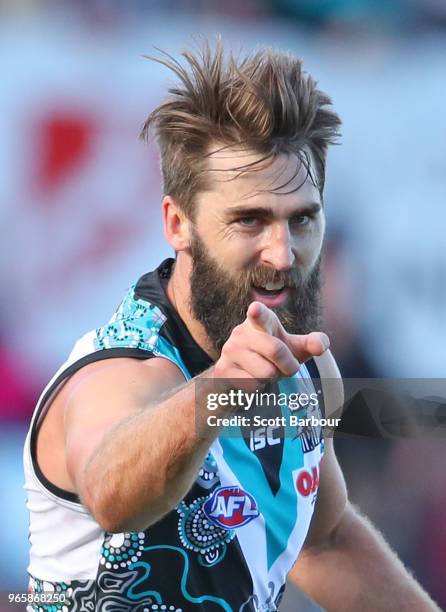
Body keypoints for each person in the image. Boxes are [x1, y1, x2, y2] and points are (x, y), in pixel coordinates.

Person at [23, 41, 439, 611]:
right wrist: (217, 394)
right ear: (178, 224)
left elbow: (325, 541)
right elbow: (110, 499)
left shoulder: (306, 370)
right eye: (250, 219)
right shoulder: (120, 370)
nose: (283, 253)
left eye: (303, 220)